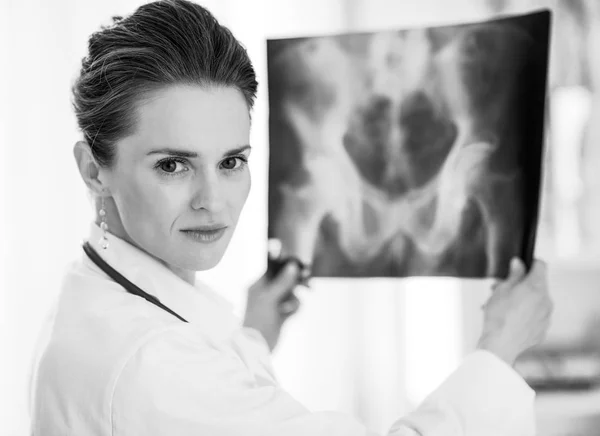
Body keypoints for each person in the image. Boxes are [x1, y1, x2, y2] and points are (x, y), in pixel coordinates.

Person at [28, 1, 553, 435]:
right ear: (94, 171)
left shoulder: (91, 296)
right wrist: (498, 350)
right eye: (173, 165)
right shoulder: (152, 366)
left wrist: (251, 334)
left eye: (232, 161)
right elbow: (173, 390)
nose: (214, 200)